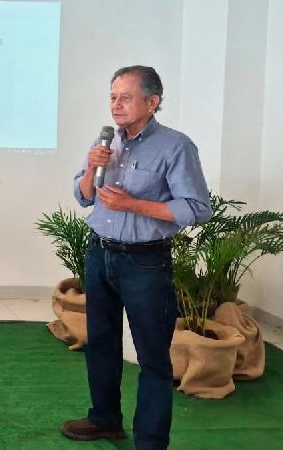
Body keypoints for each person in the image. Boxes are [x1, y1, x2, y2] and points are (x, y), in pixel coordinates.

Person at [62, 66, 211, 450]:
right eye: (113, 97)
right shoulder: (105, 141)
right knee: (102, 342)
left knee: (152, 357)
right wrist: (93, 167)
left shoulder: (176, 147)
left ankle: (150, 441)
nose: (116, 105)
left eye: (125, 97)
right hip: (99, 253)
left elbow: (195, 208)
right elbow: (83, 196)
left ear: (152, 101)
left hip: (144, 262)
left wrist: (135, 206)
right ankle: (104, 419)